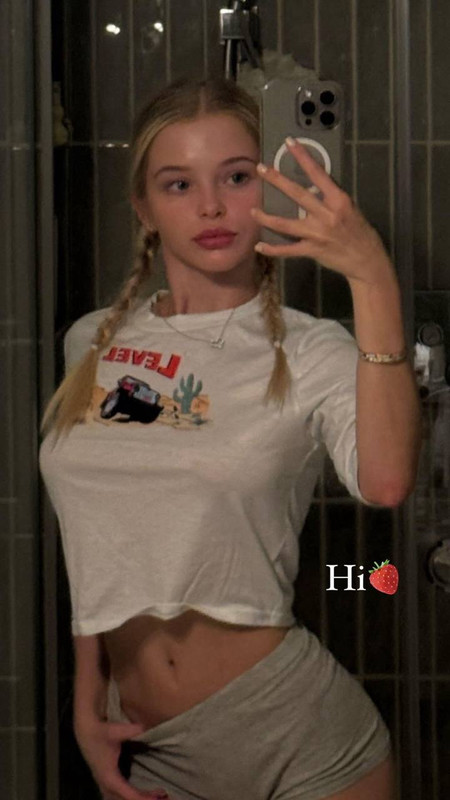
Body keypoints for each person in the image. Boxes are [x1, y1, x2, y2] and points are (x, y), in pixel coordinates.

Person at [39, 77, 422, 800]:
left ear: (270, 184)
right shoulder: (91, 342)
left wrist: (372, 277)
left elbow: (387, 481)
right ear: (144, 208)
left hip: (299, 741)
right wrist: (89, 698)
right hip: (148, 744)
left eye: (238, 177)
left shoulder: (312, 351)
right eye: (178, 184)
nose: (211, 207)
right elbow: (98, 543)